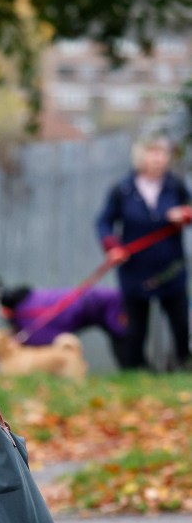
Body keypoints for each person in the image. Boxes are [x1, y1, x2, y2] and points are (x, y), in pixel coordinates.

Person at [95, 134, 192, 370]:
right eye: (153, 152)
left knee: (181, 323)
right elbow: (103, 222)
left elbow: (189, 210)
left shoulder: (175, 186)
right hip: (135, 270)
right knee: (136, 328)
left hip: (170, 269)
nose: (158, 158)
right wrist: (113, 247)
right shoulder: (123, 189)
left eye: (163, 153)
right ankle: (137, 371)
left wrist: (183, 215)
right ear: (141, 156)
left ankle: (183, 366)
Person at [0, 273, 129, 368]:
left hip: (108, 303)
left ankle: (135, 369)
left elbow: (45, 339)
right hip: (97, 301)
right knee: (123, 338)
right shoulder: (26, 307)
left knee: (126, 338)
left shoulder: (27, 313)